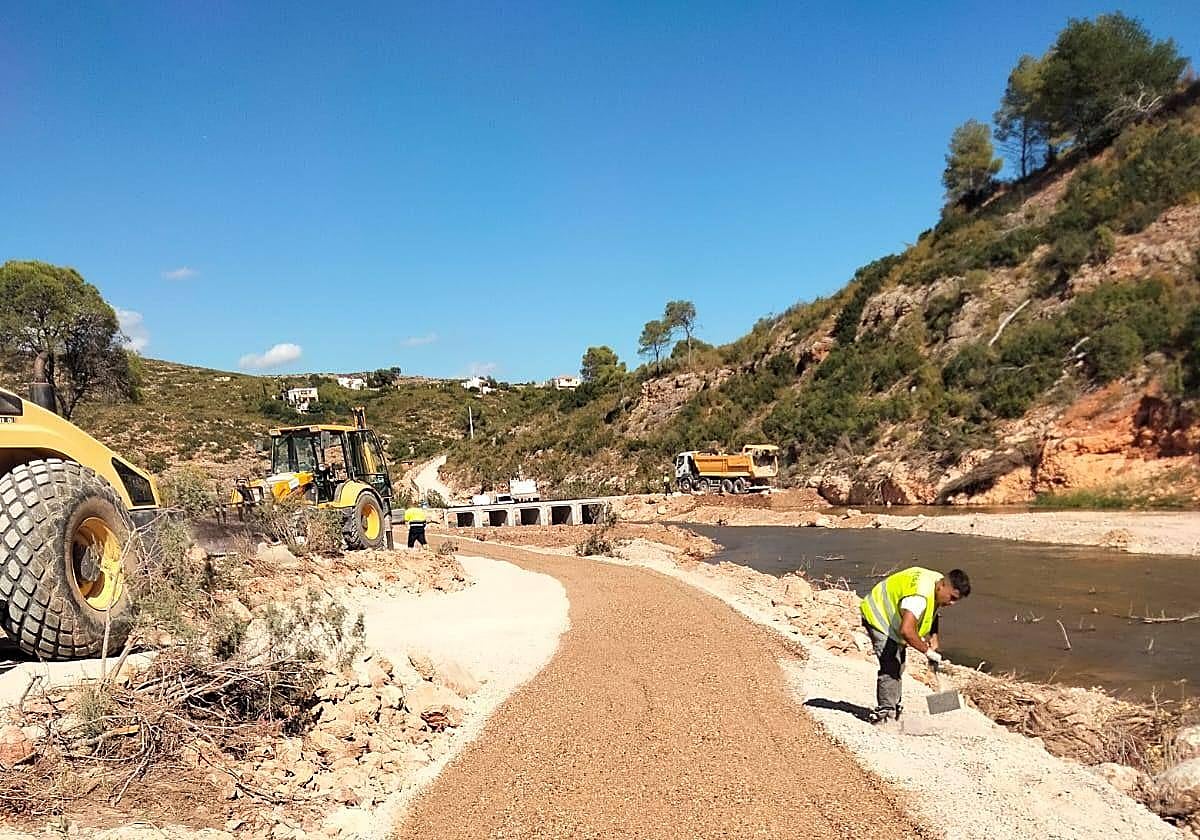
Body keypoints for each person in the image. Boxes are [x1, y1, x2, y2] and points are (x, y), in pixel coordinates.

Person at [859, 566, 971, 726]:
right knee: (891, 665)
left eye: (956, 600)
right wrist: (927, 652)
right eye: (952, 598)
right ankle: (885, 716)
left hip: (894, 619)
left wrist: (933, 636)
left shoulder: (936, 582)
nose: (952, 603)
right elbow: (906, 631)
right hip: (878, 616)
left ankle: (894, 708)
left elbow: (933, 610)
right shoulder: (918, 598)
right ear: (943, 586)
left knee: (899, 666)